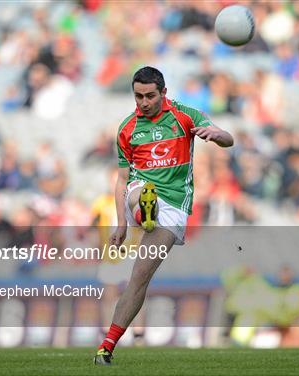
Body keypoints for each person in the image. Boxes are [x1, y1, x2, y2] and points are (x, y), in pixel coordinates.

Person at [94, 66, 234, 365]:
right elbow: (120, 179)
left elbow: (228, 140)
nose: (143, 102)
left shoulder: (185, 116)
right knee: (139, 190)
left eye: (149, 96)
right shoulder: (127, 128)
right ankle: (144, 208)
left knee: (139, 278)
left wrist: (217, 134)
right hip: (139, 190)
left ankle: (107, 345)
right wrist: (121, 224)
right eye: (138, 96)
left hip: (174, 206)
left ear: (163, 93)